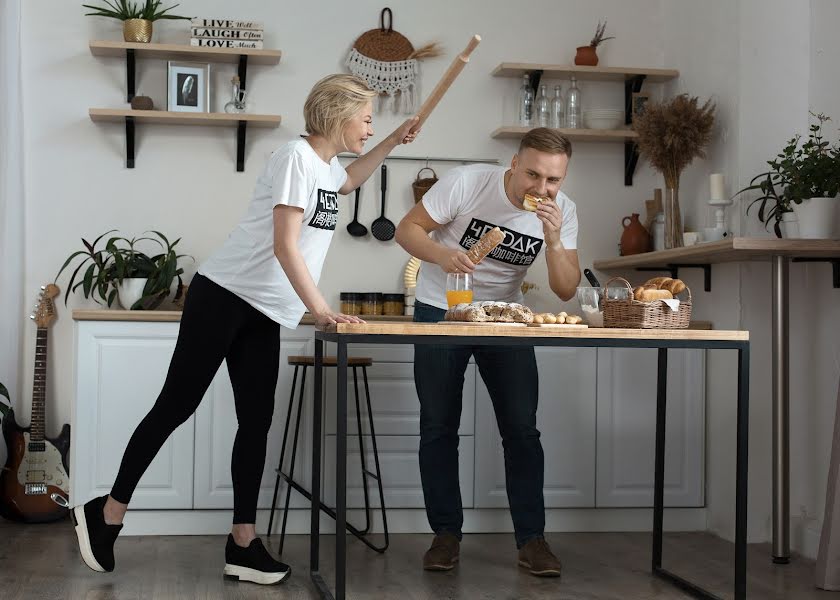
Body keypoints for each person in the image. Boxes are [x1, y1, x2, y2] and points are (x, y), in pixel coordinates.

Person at [71, 74, 420, 585]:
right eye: (366, 118)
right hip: (225, 297)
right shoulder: (293, 159)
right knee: (177, 405)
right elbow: (285, 245)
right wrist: (321, 310)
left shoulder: (326, 166)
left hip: (266, 308)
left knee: (255, 423)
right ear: (337, 114)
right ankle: (107, 512)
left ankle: (242, 543)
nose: (370, 127)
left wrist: (393, 141)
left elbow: (350, 182)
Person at [395, 128, 580, 578]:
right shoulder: (468, 183)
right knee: (438, 426)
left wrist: (553, 240)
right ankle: (445, 535)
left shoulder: (563, 212)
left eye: (553, 180)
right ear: (513, 164)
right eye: (533, 174)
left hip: (505, 318)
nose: (541, 188)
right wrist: (442, 256)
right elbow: (407, 230)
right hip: (442, 310)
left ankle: (532, 541)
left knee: (522, 429)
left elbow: (565, 287)